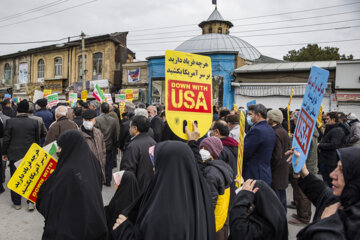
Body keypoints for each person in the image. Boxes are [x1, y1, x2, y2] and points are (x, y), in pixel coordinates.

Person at [112, 141, 216, 240]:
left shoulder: (164, 212)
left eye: (157, 164)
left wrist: (124, 232)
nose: (153, 169)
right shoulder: (201, 199)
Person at [36, 130, 107, 239]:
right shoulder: (93, 161)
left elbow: (49, 201)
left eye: (61, 147)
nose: (59, 150)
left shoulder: (67, 171)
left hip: (69, 228)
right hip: (93, 221)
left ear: (68, 146)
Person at [288, 147, 360, 240]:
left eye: (342, 170)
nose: (332, 174)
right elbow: (320, 191)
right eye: (336, 167)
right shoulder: (337, 200)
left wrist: (327, 224)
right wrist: (302, 169)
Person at [3, 100, 39, 210]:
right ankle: (30, 202)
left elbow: (6, 139)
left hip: (14, 154)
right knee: (30, 178)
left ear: (17, 110)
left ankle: (17, 202)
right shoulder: (34, 122)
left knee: (16, 178)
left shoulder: (10, 122)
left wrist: (4, 153)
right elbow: (36, 140)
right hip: (30, 154)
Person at [199, 136, 234, 240]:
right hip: (222, 218)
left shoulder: (210, 173)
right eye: (201, 148)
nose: (202, 151)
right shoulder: (223, 166)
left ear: (213, 151)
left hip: (213, 222)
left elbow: (210, 201)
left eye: (205, 149)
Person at [288, 112, 320, 225]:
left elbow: (302, 154)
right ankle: (300, 213)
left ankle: (304, 217)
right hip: (307, 166)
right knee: (298, 192)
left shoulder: (306, 134)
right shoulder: (309, 131)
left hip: (305, 168)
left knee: (302, 193)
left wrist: (297, 169)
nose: (294, 121)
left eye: (295, 119)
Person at [120, 115, 156, 193]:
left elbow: (127, 171)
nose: (129, 129)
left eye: (130, 127)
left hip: (136, 189)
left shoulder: (133, 146)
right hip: (150, 188)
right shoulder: (153, 142)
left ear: (135, 128)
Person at [243, 104, 276, 186]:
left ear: (258, 115)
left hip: (254, 174)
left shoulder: (256, 131)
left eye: (250, 114)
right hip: (264, 172)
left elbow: (245, 152)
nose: (248, 117)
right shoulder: (269, 128)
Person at [105, 171, 140, 240]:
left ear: (122, 184)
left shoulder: (118, 203)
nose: (115, 184)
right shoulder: (137, 203)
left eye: (117, 182)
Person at [266, 109, 290, 210]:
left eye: (268, 118)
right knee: (281, 194)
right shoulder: (283, 131)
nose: (266, 119)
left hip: (277, 169)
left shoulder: (275, 133)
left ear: (272, 119)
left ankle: (279, 220)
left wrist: (271, 167)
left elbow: (277, 155)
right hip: (283, 167)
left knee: (276, 197)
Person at [318, 112, 349, 187]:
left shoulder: (337, 130)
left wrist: (320, 145)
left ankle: (332, 197)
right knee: (327, 180)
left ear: (333, 120)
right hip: (327, 159)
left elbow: (334, 144)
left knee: (331, 182)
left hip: (331, 160)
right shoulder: (333, 128)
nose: (326, 121)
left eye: (328, 119)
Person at [80, 109, 106, 183]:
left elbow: (103, 149)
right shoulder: (78, 135)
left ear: (94, 120)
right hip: (85, 172)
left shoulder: (98, 133)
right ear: (83, 120)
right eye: (86, 119)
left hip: (99, 169)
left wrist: (103, 161)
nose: (88, 122)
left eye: (90, 119)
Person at [95, 102, 118, 186]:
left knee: (99, 162)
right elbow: (115, 134)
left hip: (99, 145)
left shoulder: (97, 119)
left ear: (100, 109)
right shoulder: (113, 120)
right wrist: (115, 144)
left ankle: (100, 178)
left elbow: (95, 133)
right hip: (109, 145)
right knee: (108, 163)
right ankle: (108, 180)